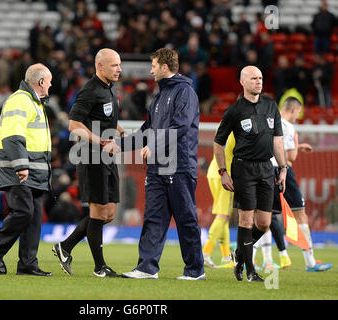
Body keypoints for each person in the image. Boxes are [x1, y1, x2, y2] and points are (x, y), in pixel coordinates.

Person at [121, 48, 205, 280]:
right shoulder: (158, 96)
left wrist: (155, 145)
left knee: (186, 218)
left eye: (154, 66)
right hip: (157, 167)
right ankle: (147, 268)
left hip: (179, 166)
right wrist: (120, 146)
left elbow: (181, 126)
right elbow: (147, 130)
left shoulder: (185, 92)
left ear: (164, 67)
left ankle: (195, 271)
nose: (151, 70)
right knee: (153, 217)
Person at [52, 48, 123, 278]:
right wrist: (100, 140)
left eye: (119, 65)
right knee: (98, 210)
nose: (119, 69)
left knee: (109, 213)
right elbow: (74, 125)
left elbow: (106, 119)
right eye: (114, 65)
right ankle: (99, 267)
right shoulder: (89, 91)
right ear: (100, 66)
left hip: (107, 155)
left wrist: (121, 132)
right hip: (91, 155)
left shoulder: (110, 89)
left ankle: (65, 246)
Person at [213, 65, 287, 282]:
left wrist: (283, 168)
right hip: (243, 168)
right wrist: (223, 172)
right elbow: (218, 143)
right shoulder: (235, 111)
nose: (259, 82)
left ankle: (239, 254)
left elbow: (277, 141)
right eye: (254, 78)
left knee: (264, 223)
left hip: (266, 167)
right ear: (243, 82)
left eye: (261, 78)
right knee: (245, 219)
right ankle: (250, 271)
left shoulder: (271, 106)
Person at [0, 63, 53, 277]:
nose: (50, 85)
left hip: (34, 170)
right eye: (49, 81)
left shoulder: (33, 102)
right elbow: (13, 137)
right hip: (19, 168)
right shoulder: (21, 100)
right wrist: (21, 166)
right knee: (24, 211)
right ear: (41, 82)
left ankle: (27, 264)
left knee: (33, 217)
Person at [271, 97, 332, 272]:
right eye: (298, 112)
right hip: (284, 172)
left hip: (267, 170)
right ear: (293, 110)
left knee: (264, 218)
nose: (298, 116)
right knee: (300, 215)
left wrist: (297, 146)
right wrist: (296, 142)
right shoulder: (289, 127)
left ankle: (245, 259)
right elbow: (291, 157)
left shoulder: (272, 120)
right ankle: (310, 261)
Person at [203, 132, 235, 269]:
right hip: (226, 174)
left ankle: (226, 257)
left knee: (224, 217)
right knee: (223, 215)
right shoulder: (240, 124)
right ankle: (205, 253)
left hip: (214, 171)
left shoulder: (224, 122)